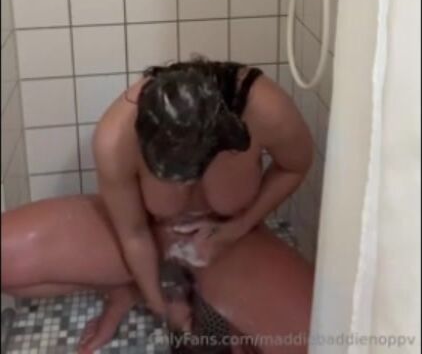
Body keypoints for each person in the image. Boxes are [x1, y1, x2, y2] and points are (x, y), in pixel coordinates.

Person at [1, 59, 315, 353]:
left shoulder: (264, 108)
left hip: (229, 242)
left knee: (314, 342)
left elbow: (294, 166)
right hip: (148, 234)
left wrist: (237, 227)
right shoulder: (115, 136)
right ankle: (126, 290)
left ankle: (211, 287)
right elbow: (133, 233)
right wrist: (160, 301)